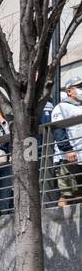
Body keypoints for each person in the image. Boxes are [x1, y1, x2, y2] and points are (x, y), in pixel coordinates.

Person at [50, 77, 82, 206]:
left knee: (79, 194)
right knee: (67, 195)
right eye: (78, 86)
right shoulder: (61, 107)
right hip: (68, 158)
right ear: (69, 91)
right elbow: (58, 130)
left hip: (80, 157)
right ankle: (57, 224)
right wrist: (67, 149)